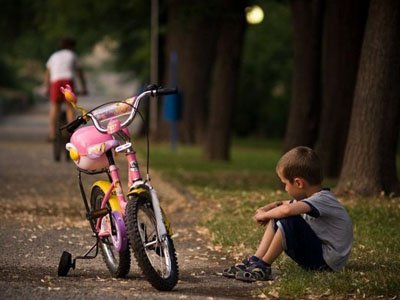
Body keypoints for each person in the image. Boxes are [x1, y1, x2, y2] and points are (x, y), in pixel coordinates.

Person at [222, 146, 353, 282]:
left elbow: (286, 210)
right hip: (317, 254)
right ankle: (255, 260)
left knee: (286, 218)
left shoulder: (323, 199)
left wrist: (264, 216)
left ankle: (264, 266)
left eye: (285, 183)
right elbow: (282, 205)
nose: (285, 188)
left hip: (326, 263)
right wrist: (265, 209)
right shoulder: (308, 200)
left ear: (298, 183)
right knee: (278, 215)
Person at [44, 37, 87, 141]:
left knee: (55, 106)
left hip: (55, 81)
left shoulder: (54, 56)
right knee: (69, 106)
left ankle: (52, 133)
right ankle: (71, 133)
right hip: (67, 80)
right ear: (71, 46)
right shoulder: (72, 55)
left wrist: (47, 88)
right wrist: (84, 88)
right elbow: (80, 73)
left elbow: (47, 74)